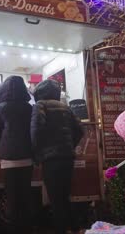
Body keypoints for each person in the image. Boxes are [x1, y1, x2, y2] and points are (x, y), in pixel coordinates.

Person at [30, 79, 84, 234]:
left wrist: (36, 153)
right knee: (65, 196)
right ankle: (75, 228)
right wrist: (69, 146)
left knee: (55, 199)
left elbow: (36, 131)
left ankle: (61, 230)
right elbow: (79, 130)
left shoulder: (40, 106)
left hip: (51, 158)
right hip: (67, 157)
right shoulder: (65, 107)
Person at [0, 75, 34, 234]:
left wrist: (0, 147)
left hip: (9, 159)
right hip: (28, 158)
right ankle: (27, 229)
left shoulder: (1, 107)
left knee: (12, 198)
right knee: (26, 197)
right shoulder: (29, 108)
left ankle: (13, 229)